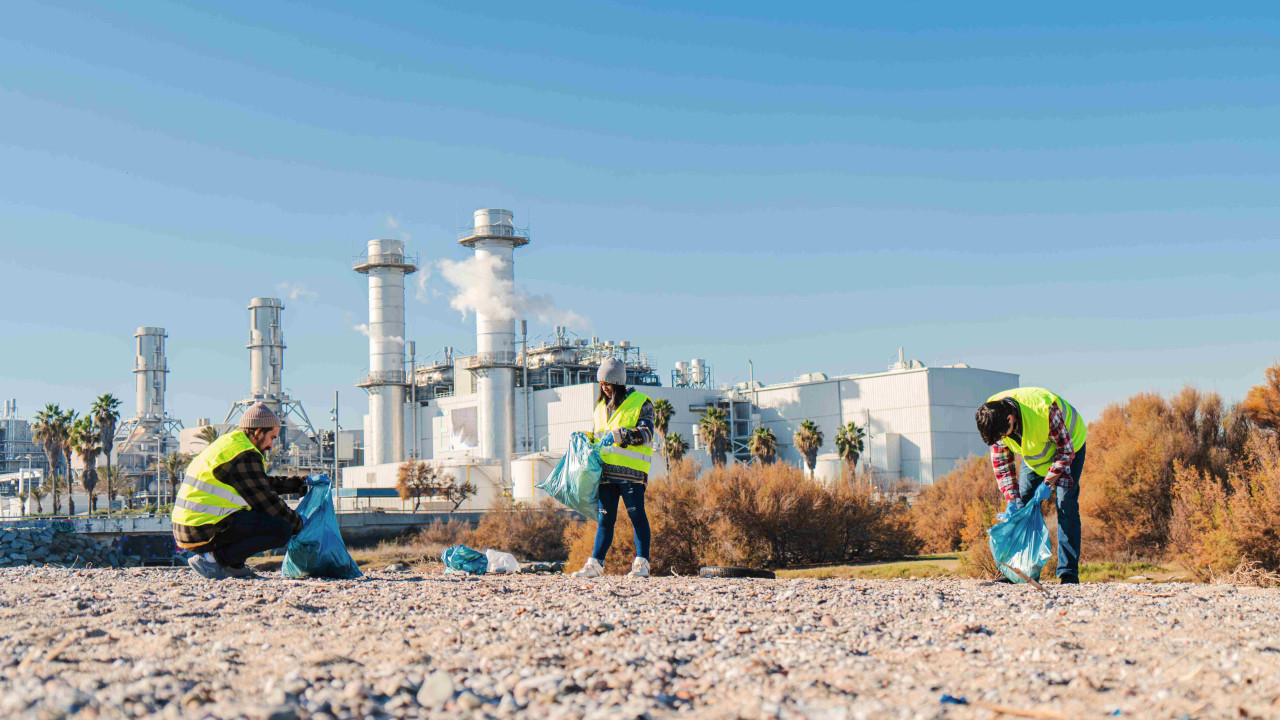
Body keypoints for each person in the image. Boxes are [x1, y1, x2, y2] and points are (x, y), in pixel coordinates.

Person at [171, 402, 309, 580]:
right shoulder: (245, 455)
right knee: (280, 529)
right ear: (258, 431)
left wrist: (295, 485)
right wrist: (300, 525)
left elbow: (257, 483)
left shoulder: (230, 445)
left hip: (190, 527)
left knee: (262, 519)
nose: (271, 444)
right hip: (201, 530)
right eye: (272, 437)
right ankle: (212, 560)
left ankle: (232, 565)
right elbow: (267, 502)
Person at [975, 387, 1088, 584]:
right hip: (1036, 455)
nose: (1002, 440)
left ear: (1010, 418)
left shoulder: (1042, 410)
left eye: (1003, 435)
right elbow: (1002, 465)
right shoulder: (993, 419)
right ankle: (1019, 572)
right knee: (1022, 506)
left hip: (1070, 447)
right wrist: (1011, 498)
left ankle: (1068, 574)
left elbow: (1065, 451)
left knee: (1065, 505)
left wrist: (1048, 482)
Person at [571, 357, 656, 579]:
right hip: (605, 474)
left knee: (637, 517)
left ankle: (642, 564)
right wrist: (586, 438)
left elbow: (647, 434)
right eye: (601, 384)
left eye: (607, 384)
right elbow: (600, 435)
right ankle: (595, 565)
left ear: (618, 382)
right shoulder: (599, 407)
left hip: (631, 474)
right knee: (604, 519)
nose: (604, 388)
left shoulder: (641, 402)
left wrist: (621, 435)